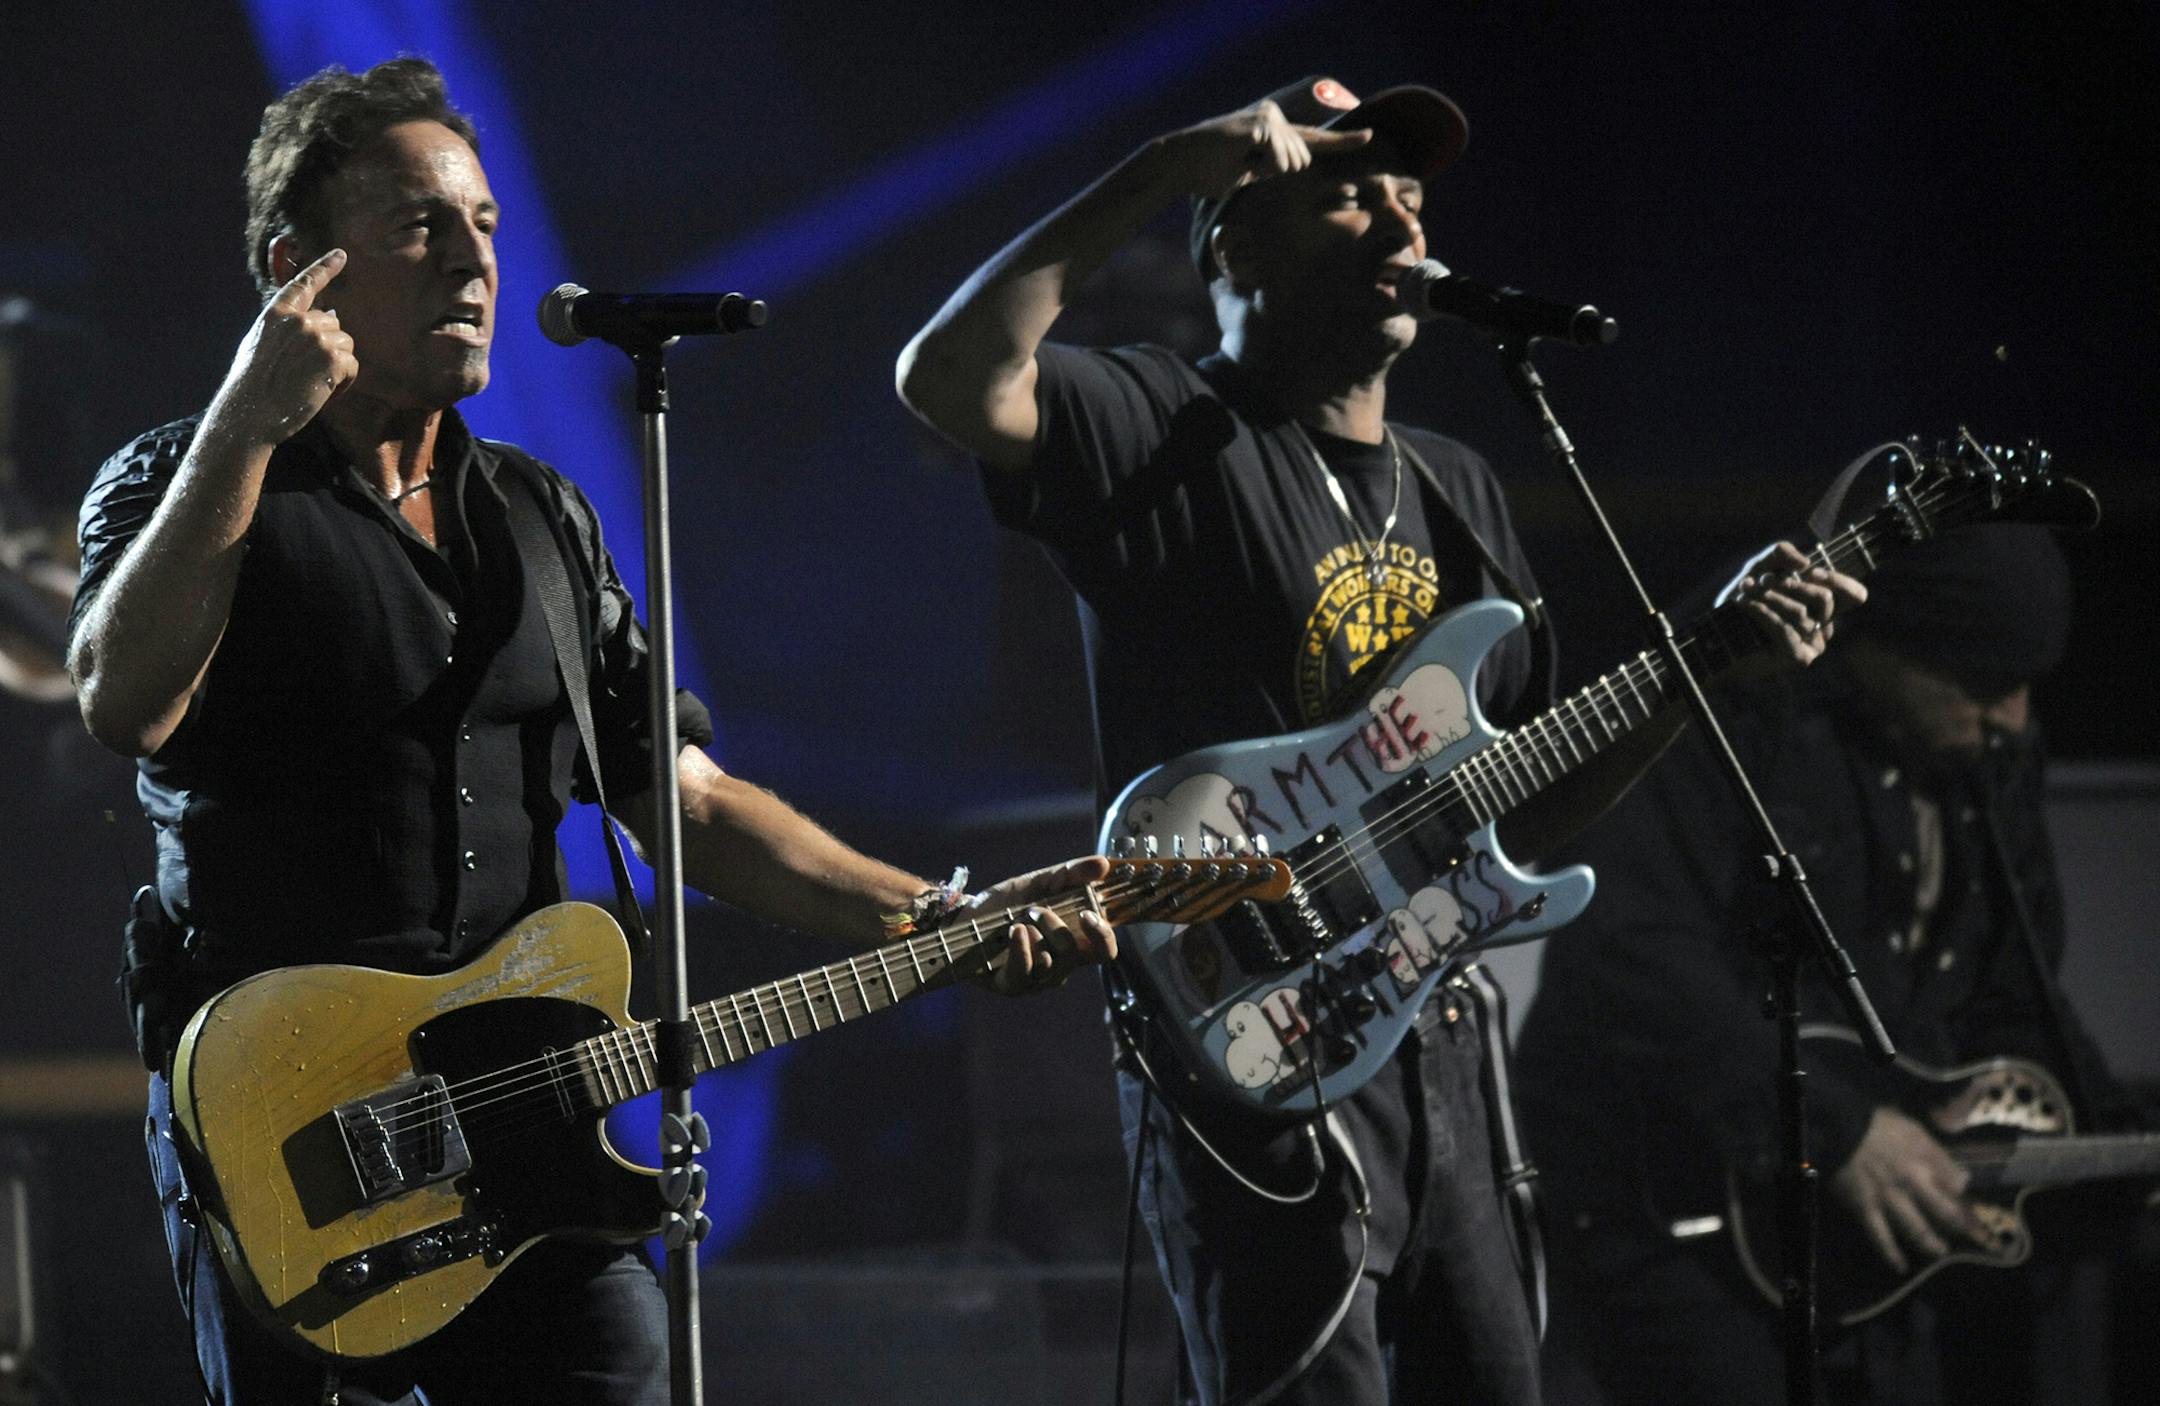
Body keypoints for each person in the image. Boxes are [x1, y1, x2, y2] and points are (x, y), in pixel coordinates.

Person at [66, 58, 1112, 1406]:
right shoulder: (183, 477)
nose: (470, 261)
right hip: (296, 1140)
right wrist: (244, 424)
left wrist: (937, 915)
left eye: (486, 226)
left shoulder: (541, 520)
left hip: (531, 1142)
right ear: (297, 269)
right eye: (418, 225)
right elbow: (122, 697)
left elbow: (682, 794)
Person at [897, 74, 1861, 1406]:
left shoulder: (1457, 485)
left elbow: (1518, 806)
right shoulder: (1169, 423)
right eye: (1349, 190)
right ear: (1231, 239)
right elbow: (949, 377)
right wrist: (1157, 169)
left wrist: (1706, 674)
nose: (1400, 219)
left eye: (1410, 195)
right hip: (1255, 1032)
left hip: (1443, 1029)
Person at [1514, 523, 2148, 1406]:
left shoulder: (1985, 759)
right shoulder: (1735, 724)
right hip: (1663, 1219)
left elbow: (2010, 984)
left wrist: (2109, 1136)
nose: (2014, 717)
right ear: (1882, 646)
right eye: (1983, 683)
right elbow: (1628, 957)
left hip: (1860, 1259)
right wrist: (1839, 1134)